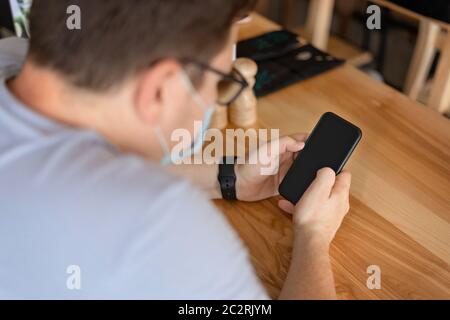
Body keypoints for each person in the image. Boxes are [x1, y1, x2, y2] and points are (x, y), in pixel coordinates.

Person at [0, 0, 351, 299]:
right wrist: (313, 237)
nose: (214, 99)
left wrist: (227, 178)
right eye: (219, 81)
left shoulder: (11, 56)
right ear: (159, 89)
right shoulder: (157, 223)